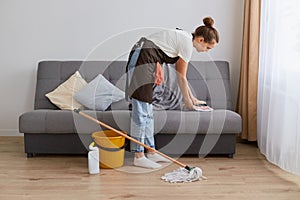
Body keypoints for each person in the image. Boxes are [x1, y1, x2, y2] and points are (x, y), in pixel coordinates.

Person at [125, 17, 219, 169]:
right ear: (201, 40)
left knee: (148, 112)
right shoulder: (187, 45)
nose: (207, 51)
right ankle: (138, 156)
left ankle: (151, 151)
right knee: (141, 111)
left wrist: (192, 98)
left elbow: (179, 71)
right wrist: (187, 102)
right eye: (208, 48)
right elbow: (180, 76)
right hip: (142, 59)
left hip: (148, 58)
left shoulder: (186, 39)